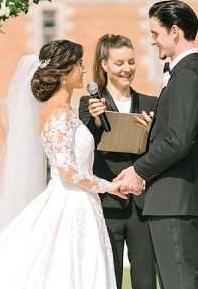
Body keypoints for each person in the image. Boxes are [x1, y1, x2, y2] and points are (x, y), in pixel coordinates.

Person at [0, 40, 123, 289]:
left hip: (82, 202)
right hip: (69, 204)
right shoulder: (58, 114)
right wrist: (109, 186)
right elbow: (67, 171)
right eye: (79, 64)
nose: (84, 70)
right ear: (64, 72)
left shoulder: (65, 111)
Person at [116, 0, 198, 289]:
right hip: (169, 201)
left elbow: (179, 140)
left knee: (180, 283)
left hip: (175, 201)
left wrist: (139, 170)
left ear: (174, 31)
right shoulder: (183, 74)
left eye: (156, 33)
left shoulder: (188, 75)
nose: (152, 40)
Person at [78, 34, 157, 289]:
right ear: (104, 64)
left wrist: (150, 132)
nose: (127, 69)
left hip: (141, 207)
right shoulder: (87, 104)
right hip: (106, 205)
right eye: (120, 63)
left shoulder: (151, 104)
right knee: (108, 279)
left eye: (131, 62)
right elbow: (83, 151)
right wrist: (96, 121)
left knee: (145, 280)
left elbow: (160, 152)